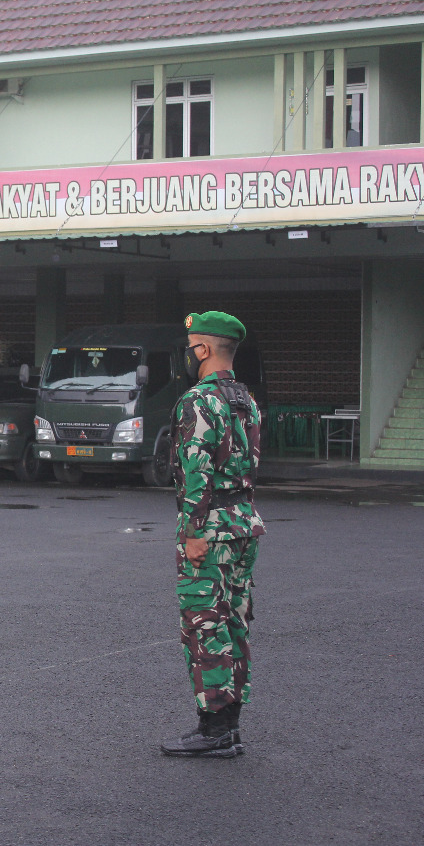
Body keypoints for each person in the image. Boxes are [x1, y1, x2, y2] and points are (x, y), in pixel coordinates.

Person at [161, 311, 266, 758]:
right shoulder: (246, 400)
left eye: (191, 346)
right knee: (234, 623)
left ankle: (213, 728)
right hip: (243, 524)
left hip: (211, 528)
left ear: (202, 350)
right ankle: (229, 725)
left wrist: (192, 532)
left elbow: (196, 472)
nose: (188, 354)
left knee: (205, 626)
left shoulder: (198, 401)